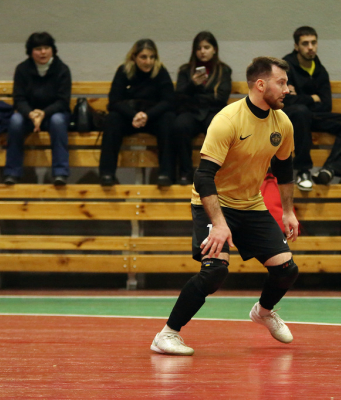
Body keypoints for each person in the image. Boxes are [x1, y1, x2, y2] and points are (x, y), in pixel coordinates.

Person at [151, 57, 300, 356]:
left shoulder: (282, 122)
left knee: (286, 269)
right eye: (281, 83)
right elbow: (203, 176)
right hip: (213, 202)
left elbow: (284, 169)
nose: (287, 89)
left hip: (251, 204)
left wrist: (287, 211)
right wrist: (219, 223)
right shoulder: (228, 120)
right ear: (261, 85)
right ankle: (167, 334)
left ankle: (263, 311)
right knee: (214, 271)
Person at [282, 26, 341, 191]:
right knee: (300, 111)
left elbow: (326, 105)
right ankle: (303, 171)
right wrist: (312, 98)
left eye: (313, 43)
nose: (310, 47)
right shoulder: (285, 68)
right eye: (305, 43)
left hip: (314, 116)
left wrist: (300, 98)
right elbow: (285, 100)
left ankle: (330, 169)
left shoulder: (320, 71)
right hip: (291, 118)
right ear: (296, 46)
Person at [99, 39, 175, 187]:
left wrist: (147, 116)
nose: (148, 62)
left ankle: (166, 173)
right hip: (130, 118)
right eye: (143, 57)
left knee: (169, 119)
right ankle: (107, 173)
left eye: (152, 57)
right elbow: (114, 101)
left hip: (152, 117)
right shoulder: (124, 71)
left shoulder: (160, 71)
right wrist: (133, 115)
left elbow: (169, 101)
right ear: (134, 57)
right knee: (112, 119)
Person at [5, 32, 72, 186]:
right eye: (38, 49)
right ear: (30, 52)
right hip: (29, 115)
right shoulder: (22, 69)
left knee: (58, 121)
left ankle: (60, 172)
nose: (43, 52)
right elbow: (19, 99)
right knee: (15, 121)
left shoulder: (62, 69)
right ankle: (12, 172)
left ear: (53, 50)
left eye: (46, 48)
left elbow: (63, 101)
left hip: (53, 114)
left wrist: (43, 113)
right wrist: (30, 114)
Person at [172, 31, 232, 185]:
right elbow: (179, 96)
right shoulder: (185, 70)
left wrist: (196, 96)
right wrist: (193, 85)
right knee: (179, 125)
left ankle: (214, 173)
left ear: (214, 49)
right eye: (199, 48)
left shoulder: (223, 70)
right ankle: (185, 172)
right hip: (191, 112)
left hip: (212, 111)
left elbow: (221, 98)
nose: (202, 51)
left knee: (218, 128)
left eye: (206, 47)